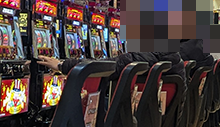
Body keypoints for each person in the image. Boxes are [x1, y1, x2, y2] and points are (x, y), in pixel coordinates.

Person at [38, 51, 185, 82]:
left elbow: (107, 67)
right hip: (160, 124)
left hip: (134, 123)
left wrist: (61, 65)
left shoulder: (143, 57)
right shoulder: (172, 55)